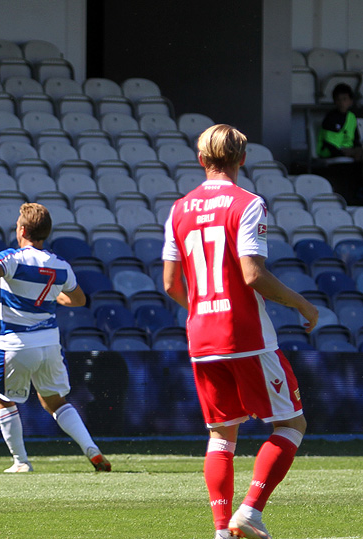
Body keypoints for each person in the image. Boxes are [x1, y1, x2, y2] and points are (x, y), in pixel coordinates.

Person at [163, 124, 319, 539]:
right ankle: (250, 511)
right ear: (243, 159)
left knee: (221, 435)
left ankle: (221, 530)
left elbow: (171, 284)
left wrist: (203, 310)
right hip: (245, 334)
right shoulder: (248, 203)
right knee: (291, 425)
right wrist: (302, 304)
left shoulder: (178, 209)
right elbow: (253, 274)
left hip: (202, 337)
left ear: (201, 160)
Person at [0, 203, 111, 474]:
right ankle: (91, 448)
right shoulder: (61, 265)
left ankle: (21, 461)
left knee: (3, 399)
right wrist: (56, 296)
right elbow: (79, 300)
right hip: (50, 343)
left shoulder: (13, 258)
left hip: (17, 341)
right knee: (54, 400)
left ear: (21, 230)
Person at [316, 82, 363, 204]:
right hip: (331, 153)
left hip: (349, 153)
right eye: (339, 99)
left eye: (345, 99)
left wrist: (356, 151)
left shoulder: (351, 117)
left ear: (350, 101)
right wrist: (346, 153)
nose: (342, 102)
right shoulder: (330, 118)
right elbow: (329, 144)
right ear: (334, 101)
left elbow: (356, 140)